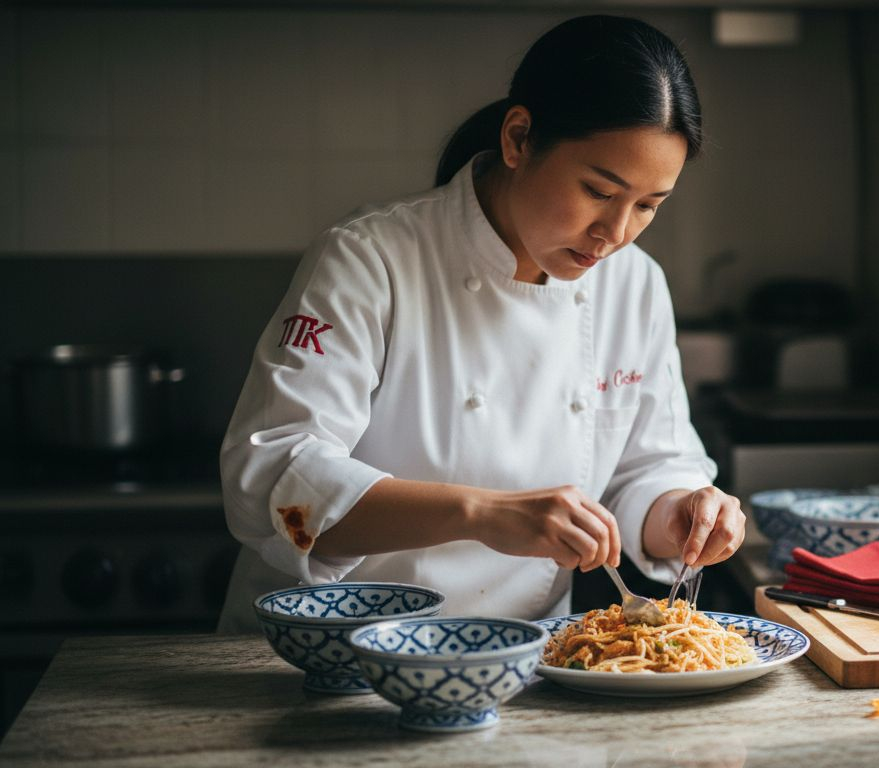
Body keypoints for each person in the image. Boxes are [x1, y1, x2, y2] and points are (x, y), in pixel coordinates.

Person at [215, 15, 745, 632]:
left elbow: (647, 468)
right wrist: (479, 513)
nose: (616, 233)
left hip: (518, 655)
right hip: (333, 648)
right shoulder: (371, 257)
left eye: (648, 206)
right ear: (519, 139)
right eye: (599, 192)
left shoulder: (634, 283)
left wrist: (682, 512)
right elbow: (273, 477)